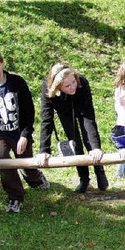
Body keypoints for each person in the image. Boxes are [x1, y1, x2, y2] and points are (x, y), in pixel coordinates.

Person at [0, 47, 50, 213]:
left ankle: (35, 179)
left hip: (19, 131)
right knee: (3, 160)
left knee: (25, 160)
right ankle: (15, 197)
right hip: (1, 134)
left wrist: (25, 135)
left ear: (2, 64)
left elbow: (28, 112)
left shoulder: (17, 82)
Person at [36, 64, 108, 193]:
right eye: (67, 86)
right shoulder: (47, 89)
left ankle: (99, 170)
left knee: (90, 142)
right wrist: (44, 149)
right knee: (75, 142)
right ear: (57, 87)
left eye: (73, 82)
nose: (72, 86)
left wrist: (96, 147)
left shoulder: (82, 83)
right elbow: (47, 120)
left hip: (81, 107)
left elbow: (89, 117)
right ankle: (84, 178)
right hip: (64, 110)